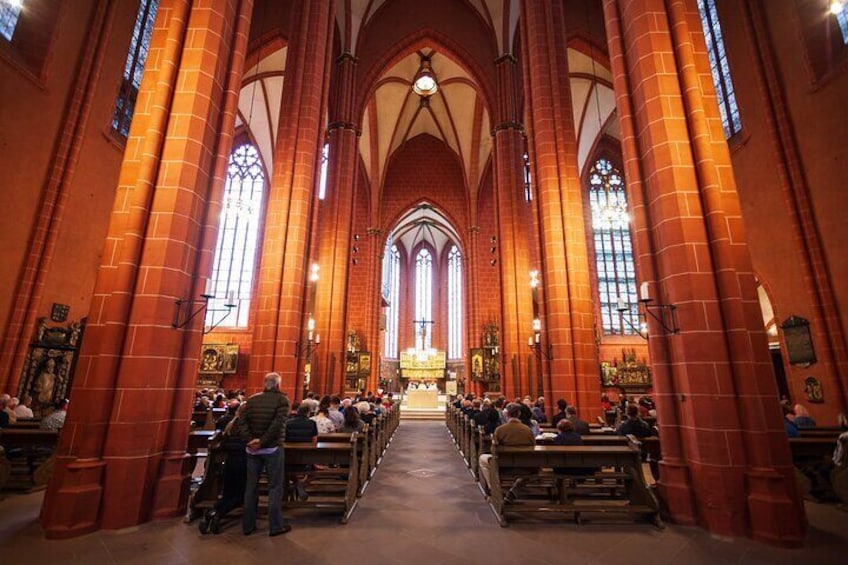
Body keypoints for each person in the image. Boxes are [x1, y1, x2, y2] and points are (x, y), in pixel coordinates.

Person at [241, 372, 290, 537]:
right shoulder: (282, 400)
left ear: (264, 384)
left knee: (250, 486)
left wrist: (251, 440)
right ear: (277, 385)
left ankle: (247, 525)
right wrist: (261, 442)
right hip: (272, 449)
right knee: (275, 486)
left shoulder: (252, 399)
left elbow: (242, 421)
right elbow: (278, 424)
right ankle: (275, 526)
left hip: (252, 450)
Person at [199, 403, 247, 535]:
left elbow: (224, 443)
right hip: (242, 462)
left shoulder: (230, 425)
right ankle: (217, 513)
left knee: (228, 492)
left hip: (229, 462)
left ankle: (213, 512)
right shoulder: (246, 426)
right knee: (239, 494)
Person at [478, 403, 536, 496]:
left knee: (482, 458)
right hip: (526, 465)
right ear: (519, 414)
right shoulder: (528, 430)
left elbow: (493, 449)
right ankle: (514, 489)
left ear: (507, 414)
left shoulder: (501, 429)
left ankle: (492, 488)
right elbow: (533, 445)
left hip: (504, 466)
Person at [285, 403, 318, 501]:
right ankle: (301, 484)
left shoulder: (288, 422)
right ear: (308, 413)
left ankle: (296, 484)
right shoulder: (312, 423)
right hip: (306, 456)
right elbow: (314, 440)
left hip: (290, 455)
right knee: (313, 471)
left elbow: (284, 438)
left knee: (288, 469)